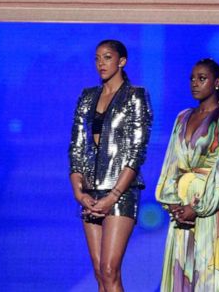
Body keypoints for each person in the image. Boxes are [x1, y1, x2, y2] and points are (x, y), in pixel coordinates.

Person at [69, 39, 153, 292]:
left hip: (120, 192)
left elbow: (136, 152)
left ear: (121, 61)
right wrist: (78, 192)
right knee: (98, 271)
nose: (100, 63)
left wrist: (113, 195)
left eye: (107, 57)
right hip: (90, 193)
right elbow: (76, 145)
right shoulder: (87, 96)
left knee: (109, 269)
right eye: (97, 58)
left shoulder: (135, 96)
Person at [156, 59, 219, 291]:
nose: (195, 83)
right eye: (192, 78)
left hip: (211, 208)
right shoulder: (182, 117)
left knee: (207, 275)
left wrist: (198, 208)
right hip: (181, 208)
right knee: (180, 274)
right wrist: (174, 204)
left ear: (217, 83)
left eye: (202, 78)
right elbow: (171, 162)